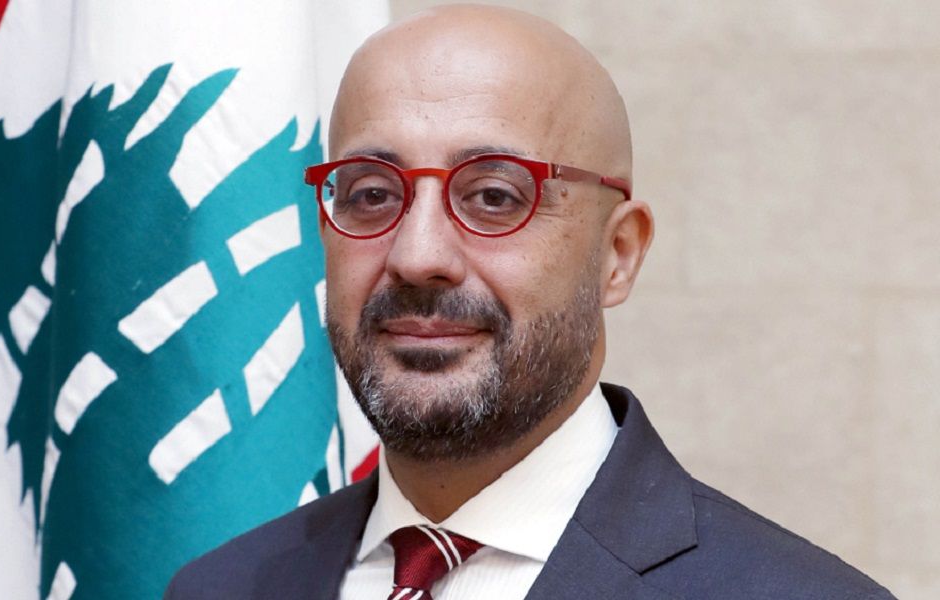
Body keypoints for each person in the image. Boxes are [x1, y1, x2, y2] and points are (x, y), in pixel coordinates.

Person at [166, 5, 895, 599]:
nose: (418, 255)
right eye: (372, 194)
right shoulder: (218, 589)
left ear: (617, 255)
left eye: (493, 196)